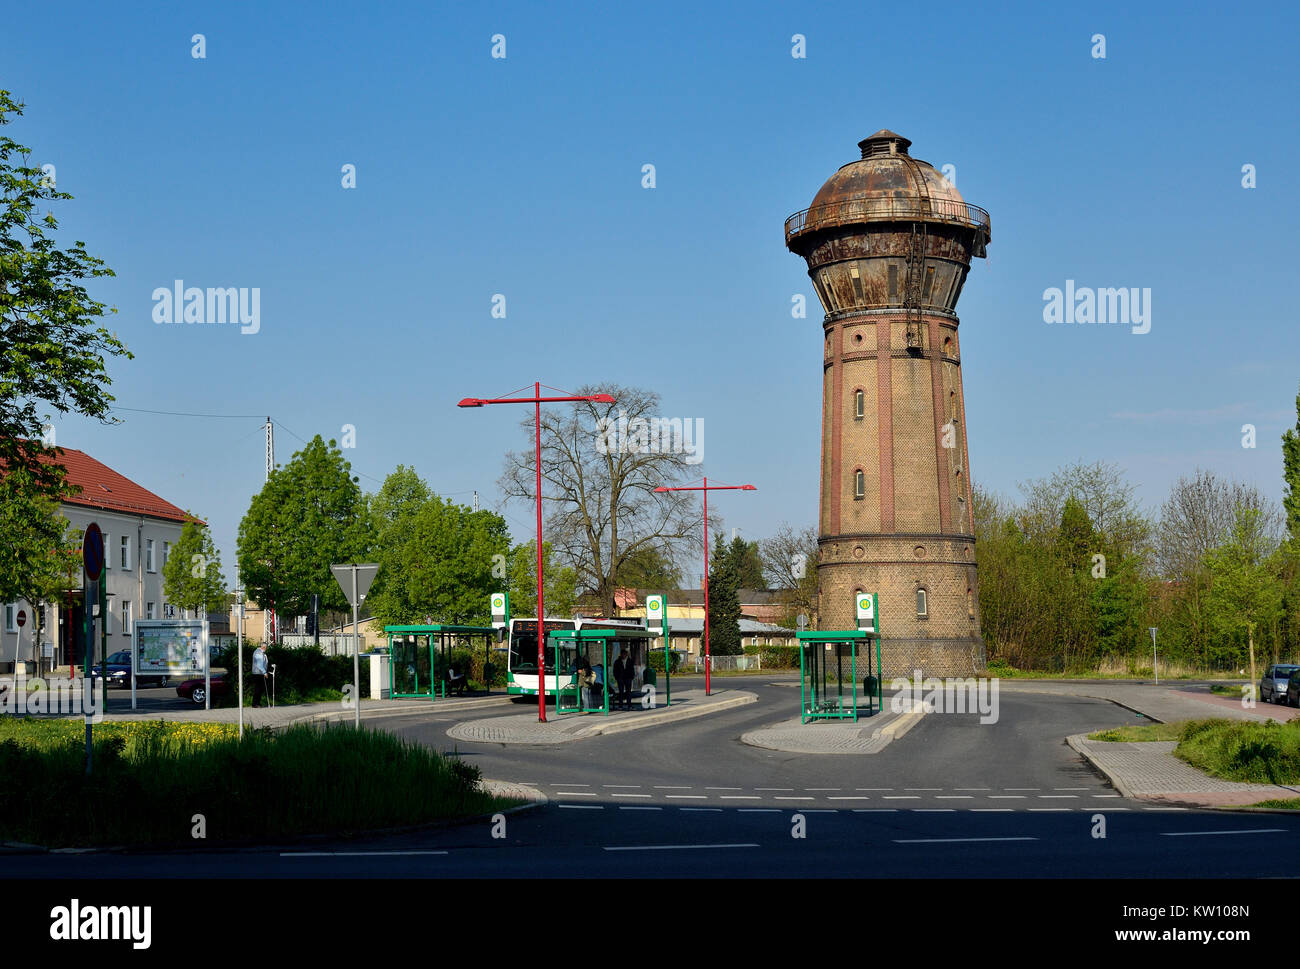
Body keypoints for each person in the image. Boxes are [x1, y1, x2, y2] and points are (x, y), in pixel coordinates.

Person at [251, 643, 268, 707]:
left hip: (260, 673)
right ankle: (255, 703)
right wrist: (264, 672)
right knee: (257, 689)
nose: (266, 649)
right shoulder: (258, 653)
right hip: (257, 673)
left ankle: (258, 702)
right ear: (263, 647)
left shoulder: (262, 653)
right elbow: (259, 664)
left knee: (260, 689)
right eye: (265, 648)